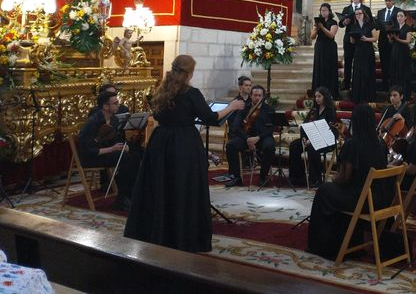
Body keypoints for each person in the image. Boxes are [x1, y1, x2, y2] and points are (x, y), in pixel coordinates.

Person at [124, 55, 243, 252]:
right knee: (183, 187)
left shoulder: (160, 91)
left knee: (161, 186)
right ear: (189, 73)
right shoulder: (190, 93)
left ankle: (157, 231)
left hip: (160, 142)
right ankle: (181, 234)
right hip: (183, 145)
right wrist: (232, 107)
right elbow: (210, 118)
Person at [307, 104, 390, 259]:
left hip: (361, 199)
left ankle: (323, 244)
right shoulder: (380, 143)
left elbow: (344, 178)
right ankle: (351, 240)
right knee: (333, 191)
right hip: (379, 197)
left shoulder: (353, 143)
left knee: (324, 191)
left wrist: (333, 179)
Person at [78, 90, 142, 211]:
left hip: (106, 153)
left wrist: (124, 146)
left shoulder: (113, 120)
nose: (119, 105)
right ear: (105, 106)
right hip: (92, 158)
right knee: (125, 158)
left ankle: (131, 194)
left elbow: (115, 141)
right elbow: (87, 150)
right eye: (115, 103)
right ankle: (121, 199)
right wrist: (112, 149)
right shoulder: (93, 122)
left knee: (136, 154)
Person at [224, 85, 276, 187]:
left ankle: (262, 176)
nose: (257, 98)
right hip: (246, 137)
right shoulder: (244, 107)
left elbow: (270, 129)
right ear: (251, 96)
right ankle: (237, 177)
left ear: (263, 96)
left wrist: (258, 138)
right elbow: (236, 126)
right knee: (231, 146)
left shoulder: (269, 109)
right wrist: (247, 138)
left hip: (262, 137)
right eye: (255, 95)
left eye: (260, 95)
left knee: (270, 147)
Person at [288, 87, 337, 187]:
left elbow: (328, 130)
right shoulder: (314, 110)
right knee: (294, 146)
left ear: (325, 97)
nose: (317, 99)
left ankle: (315, 179)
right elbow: (304, 126)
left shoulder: (330, 111)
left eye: (319, 96)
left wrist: (312, 140)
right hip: (310, 139)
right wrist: (304, 138)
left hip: (326, 140)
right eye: (315, 97)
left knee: (312, 148)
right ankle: (297, 177)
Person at [339, 0, 371, 90]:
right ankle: (346, 83)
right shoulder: (346, 9)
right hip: (349, 38)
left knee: (361, 62)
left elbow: (370, 23)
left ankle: (360, 84)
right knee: (348, 61)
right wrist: (345, 22)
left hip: (361, 39)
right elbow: (341, 24)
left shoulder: (366, 9)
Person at [349, 7, 378, 103]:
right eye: (356, 14)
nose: (358, 15)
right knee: (358, 73)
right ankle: (358, 96)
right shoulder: (354, 26)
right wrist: (353, 38)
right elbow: (352, 42)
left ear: (364, 14)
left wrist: (366, 39)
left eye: (360, 13)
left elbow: (375, 38)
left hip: (368, 51)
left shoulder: (370, 24)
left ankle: (368, 96)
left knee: (367, 73)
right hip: (358, 51)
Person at [311, 3, 339, 97]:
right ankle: (318, 92)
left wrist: (322, 27)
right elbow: (312, 36)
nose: (323, 12)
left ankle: (330, 92)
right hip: (320, 47)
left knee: (328, 69)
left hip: (329, 47)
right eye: (321, 10)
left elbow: (331, 35)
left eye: (325, 10)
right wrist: (316, 28)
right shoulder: (317, 22)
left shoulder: (333, 22)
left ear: (329, 11)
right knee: (319, 68)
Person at [376, 0, 400, 91]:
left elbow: (399, 24)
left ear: (393, 1)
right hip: (383, 40)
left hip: (394, 40)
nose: (387, 3)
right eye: (386, 1)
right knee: (384, 63)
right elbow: (378, 25)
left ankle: (394, 86)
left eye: (389, 1)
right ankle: (385, 85)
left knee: (393, 63)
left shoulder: (398, 11)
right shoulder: (380, 12)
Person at [388, 9, 413, 96]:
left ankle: (404, 93)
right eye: (398, 16)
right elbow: (391, 42)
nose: (399, 18)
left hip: (403, 52)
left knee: (403, 72)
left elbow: (408, 41)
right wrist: (391, 38)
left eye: (401, 16)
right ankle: (395, 93)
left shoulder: (408, 27)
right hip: (395, 51)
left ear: (405, 17)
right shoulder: (394, 27)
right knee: (395, 71)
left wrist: (397, 38)